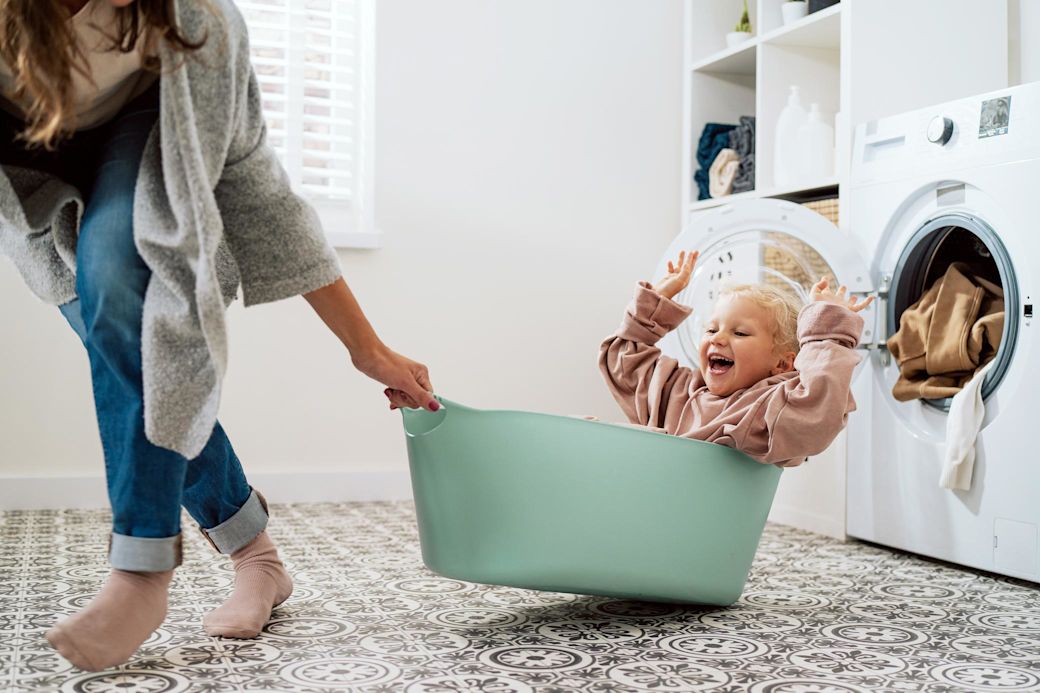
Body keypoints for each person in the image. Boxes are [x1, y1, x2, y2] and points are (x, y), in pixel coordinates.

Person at [0, 0, 436, 672]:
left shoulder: (197, 24)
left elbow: (263, 198)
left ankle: (141, 567)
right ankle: (256, 552)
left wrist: (367, 348)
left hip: (148, 127)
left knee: (123, 276)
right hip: (32, 164)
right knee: (128, 351)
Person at [599, 250, 873, 466]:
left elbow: (818, 408)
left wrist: (826, 331)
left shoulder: (765, 409)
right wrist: (655, 303)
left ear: (781, 364)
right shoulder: (679, 391)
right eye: (711, 329)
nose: (718, 339)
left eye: (740, 333)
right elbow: (624, 363)